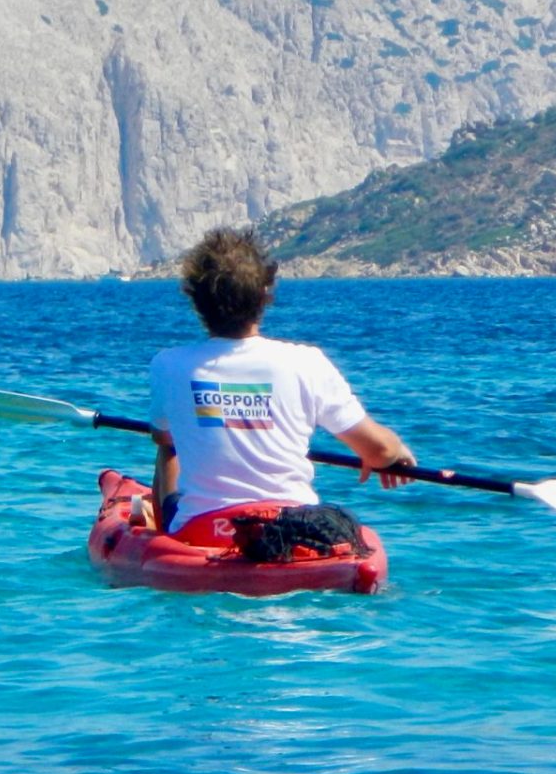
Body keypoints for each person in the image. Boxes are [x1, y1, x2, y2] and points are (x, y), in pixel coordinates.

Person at [138, 227, 417, 541]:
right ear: (264, 294)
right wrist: (395, 453)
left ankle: (165, 540)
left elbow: (164, 439)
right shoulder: (307, 362)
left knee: (169, 448)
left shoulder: (168, 364)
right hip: (291, 528)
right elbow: (379, 449)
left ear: (196, 300)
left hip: (205, 530)